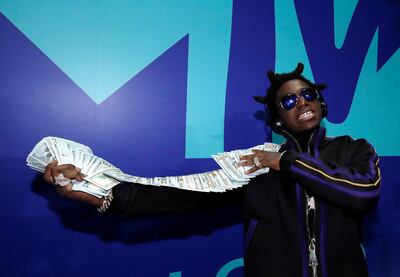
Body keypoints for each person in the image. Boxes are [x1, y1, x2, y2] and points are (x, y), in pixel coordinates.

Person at [43, 63, 381, 276]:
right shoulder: (257, 163)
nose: (302, 102)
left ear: (320, 103)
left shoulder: (355, 149)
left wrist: (288, 163)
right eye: (289, 100)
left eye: (307, 94)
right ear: (278, 119)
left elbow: (362, 192)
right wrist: (99, 192)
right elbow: (182, 197)